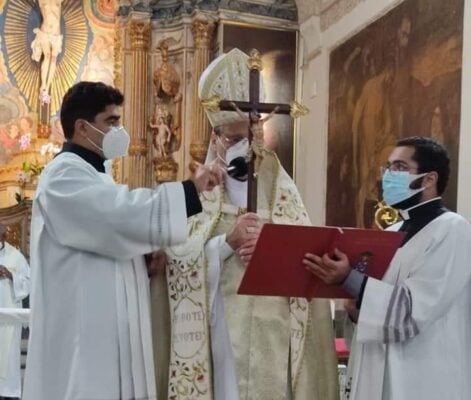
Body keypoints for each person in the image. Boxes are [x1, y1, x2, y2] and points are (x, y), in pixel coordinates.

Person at [150, 48, 339, 400]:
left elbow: (309, 263)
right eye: (233, 139)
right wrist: (225, 244)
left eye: (249, 139)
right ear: (214, 140)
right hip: (217, 334)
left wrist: (274, 251)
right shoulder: (198, 196)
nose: (244, 149)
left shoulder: (283, 193)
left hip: (273, 334)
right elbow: (175, 263)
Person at [22, 81, 223, 400]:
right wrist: (190, 190)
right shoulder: (62, 177)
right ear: (82, 127)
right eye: (111, 121)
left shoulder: (95, 177)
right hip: (83, 338)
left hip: (105, 335)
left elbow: (105, 238)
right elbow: (118, 213)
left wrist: (140, 258)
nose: (120, 130)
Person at [304, 136, 471, 400]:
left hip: (425, 375)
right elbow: (374, 310)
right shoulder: (391, 232)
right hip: (378, 369)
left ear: (429, 179)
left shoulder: (452, 229)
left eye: (400, 167)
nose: (389, 175)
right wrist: (355, 308)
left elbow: (414, 308)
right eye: (388, 167)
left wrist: (349, 279)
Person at [0, 224, 30, 399]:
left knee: (8, 354)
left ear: (5, 236)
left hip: (9, 315)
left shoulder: (16, 257)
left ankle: (8, 391)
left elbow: (28, 282)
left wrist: (11, 275)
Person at [31, 0, 64, 95]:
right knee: (47, 56)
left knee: (53, 59)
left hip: (56, 33)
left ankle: (47, 87)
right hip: (45, 31)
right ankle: (43, 85)